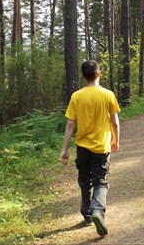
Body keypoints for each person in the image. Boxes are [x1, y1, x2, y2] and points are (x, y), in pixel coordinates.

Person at [60, 60, 120, 237]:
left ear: (83, 76)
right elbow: (114, 122)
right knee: (100, 181)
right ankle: (97, 210)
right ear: (99, 74)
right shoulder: (108, 95)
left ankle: (87, 214)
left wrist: (64, 149)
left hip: (82, 146)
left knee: (84, 180)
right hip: (102, 146)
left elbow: (70, 124)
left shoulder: (77, 96)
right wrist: (115, 140)